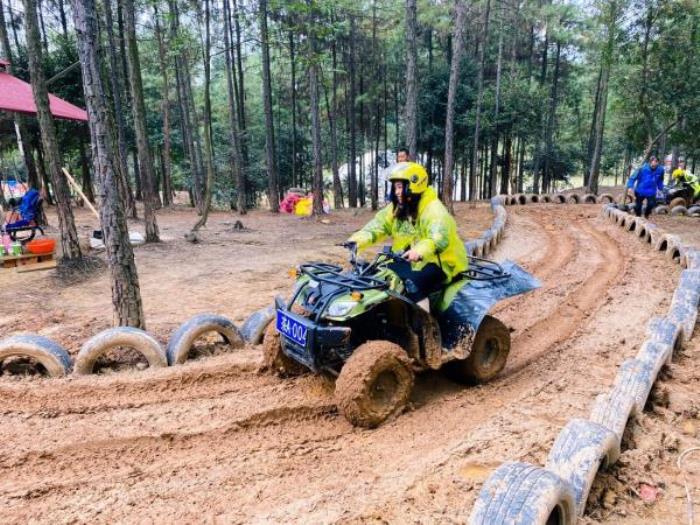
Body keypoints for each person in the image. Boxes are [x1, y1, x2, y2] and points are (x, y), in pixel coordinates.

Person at [348, 162, 468, 311]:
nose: (397, 192)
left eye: (399, 187)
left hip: (440, 262)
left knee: (412, 284)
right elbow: (378, 226)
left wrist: (420, 251)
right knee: (377, 276)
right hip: (407, 259)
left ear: (414, 185)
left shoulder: (434, 210)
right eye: (395, 187)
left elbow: (438, 238)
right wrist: (356, 241)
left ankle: (425, 329)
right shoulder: (399, 208)